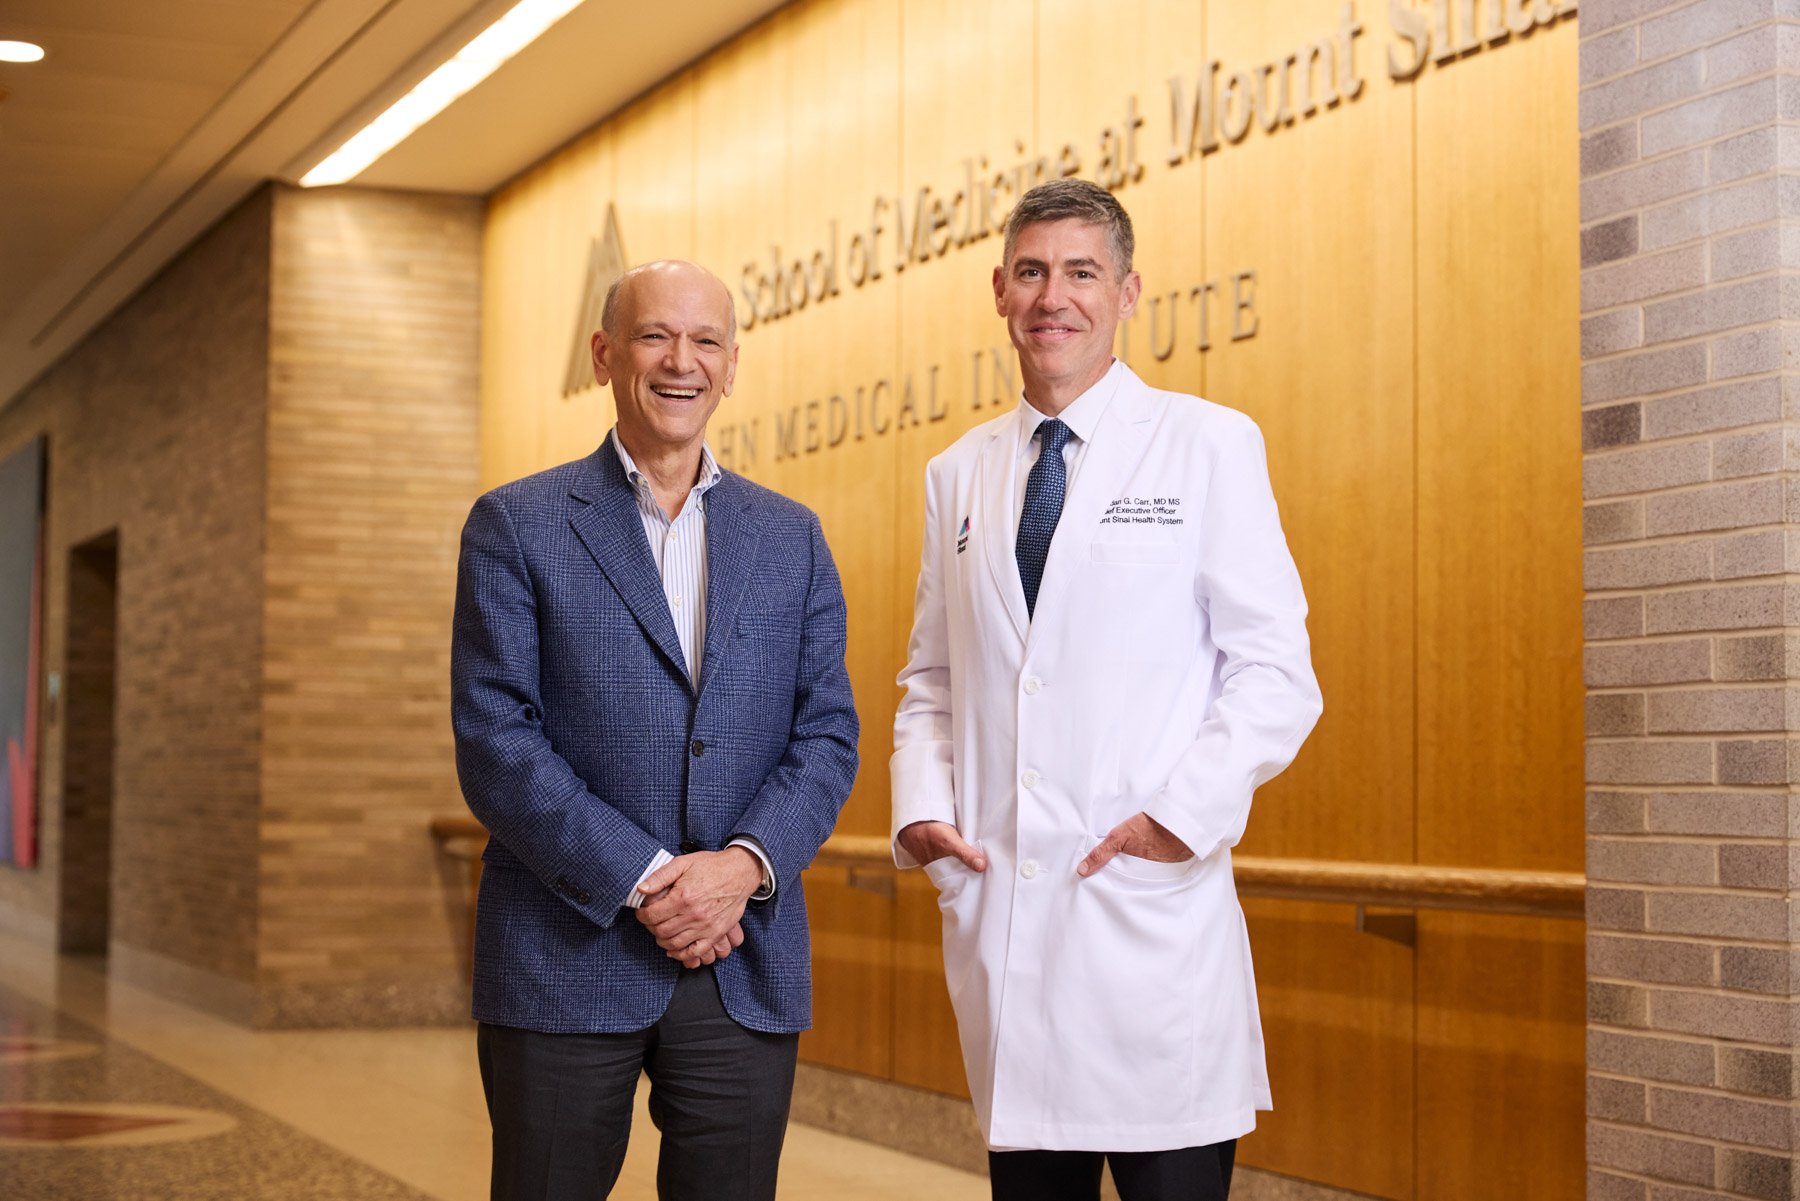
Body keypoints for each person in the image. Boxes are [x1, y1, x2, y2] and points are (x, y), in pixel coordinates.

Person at [890, 179, 1322, 1201]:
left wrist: (1181, 819)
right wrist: (921, 815)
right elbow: (931, 680)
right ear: (1000, 290)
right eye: (1033, 272)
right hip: (1008, 925)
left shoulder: (1208, 444)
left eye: (1082, 272)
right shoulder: (957, 473)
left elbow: (1276, 674)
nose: (1055, 296)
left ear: (1129, 293)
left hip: (1146, 933)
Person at [452, 259, 858, 1201]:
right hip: (563, 952)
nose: (683, 362)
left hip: (740, 955)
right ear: (605, 355)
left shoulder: (790, 536)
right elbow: (496, 740)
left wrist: (741, 867)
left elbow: (827, 732)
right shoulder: (517, 524)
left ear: (732, 363)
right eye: (654, 336)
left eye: (706, 340)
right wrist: (646, 881)